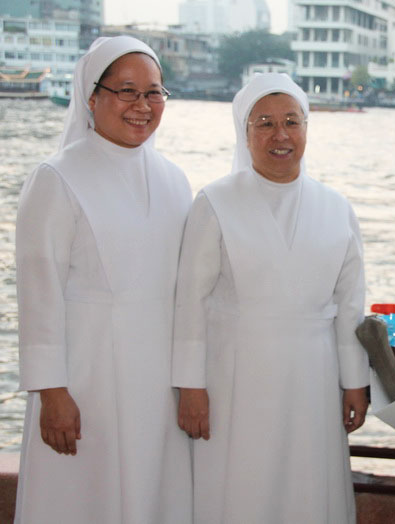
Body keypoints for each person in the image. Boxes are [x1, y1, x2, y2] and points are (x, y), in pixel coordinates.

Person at [171, 73, 369, 523]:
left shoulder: (336, 207)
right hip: (235, 377)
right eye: (264, 123)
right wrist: (190, 386)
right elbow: (190, 302)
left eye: (291, 122)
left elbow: (350, 304)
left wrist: (355, 379)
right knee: (242, 489)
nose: (280, 135)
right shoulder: (215, 201)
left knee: (307, 488)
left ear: (306, 128)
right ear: (244, 133)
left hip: (314, 378)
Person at [14, 36, 192, 523]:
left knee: (155, 500)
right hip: (86, 382)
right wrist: (51, 392)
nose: (142, 106)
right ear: (91, 97)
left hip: (158, 385)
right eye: (127, 91)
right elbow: (38, 292)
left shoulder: (176, 180)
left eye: (154, 92)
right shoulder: (56, 177)